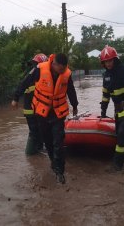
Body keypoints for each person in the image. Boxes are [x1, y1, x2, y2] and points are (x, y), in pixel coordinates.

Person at [19, 53, 78, 184]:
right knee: (48, 142)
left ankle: (60, 172)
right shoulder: (40, 70)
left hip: (57, 114)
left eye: (64, 69)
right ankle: (53, 162)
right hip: (42, 114)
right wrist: (15, 98)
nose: (62, 71)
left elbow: (71, 90)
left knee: (58, 142)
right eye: (60, 69)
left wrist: (75, 105)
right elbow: (25, 82)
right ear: (54, 64)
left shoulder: (66, 74)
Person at [11, 53, 48, 155]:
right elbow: (22, 85)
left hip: (38, 109)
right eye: (34, 64)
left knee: (39, 130)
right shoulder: (33, 73)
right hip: (31, 109)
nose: (35, 66)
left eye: (36, 63)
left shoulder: (42, 75)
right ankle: (35, 152)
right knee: (35, 131)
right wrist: (15, 98)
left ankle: (38, 151)